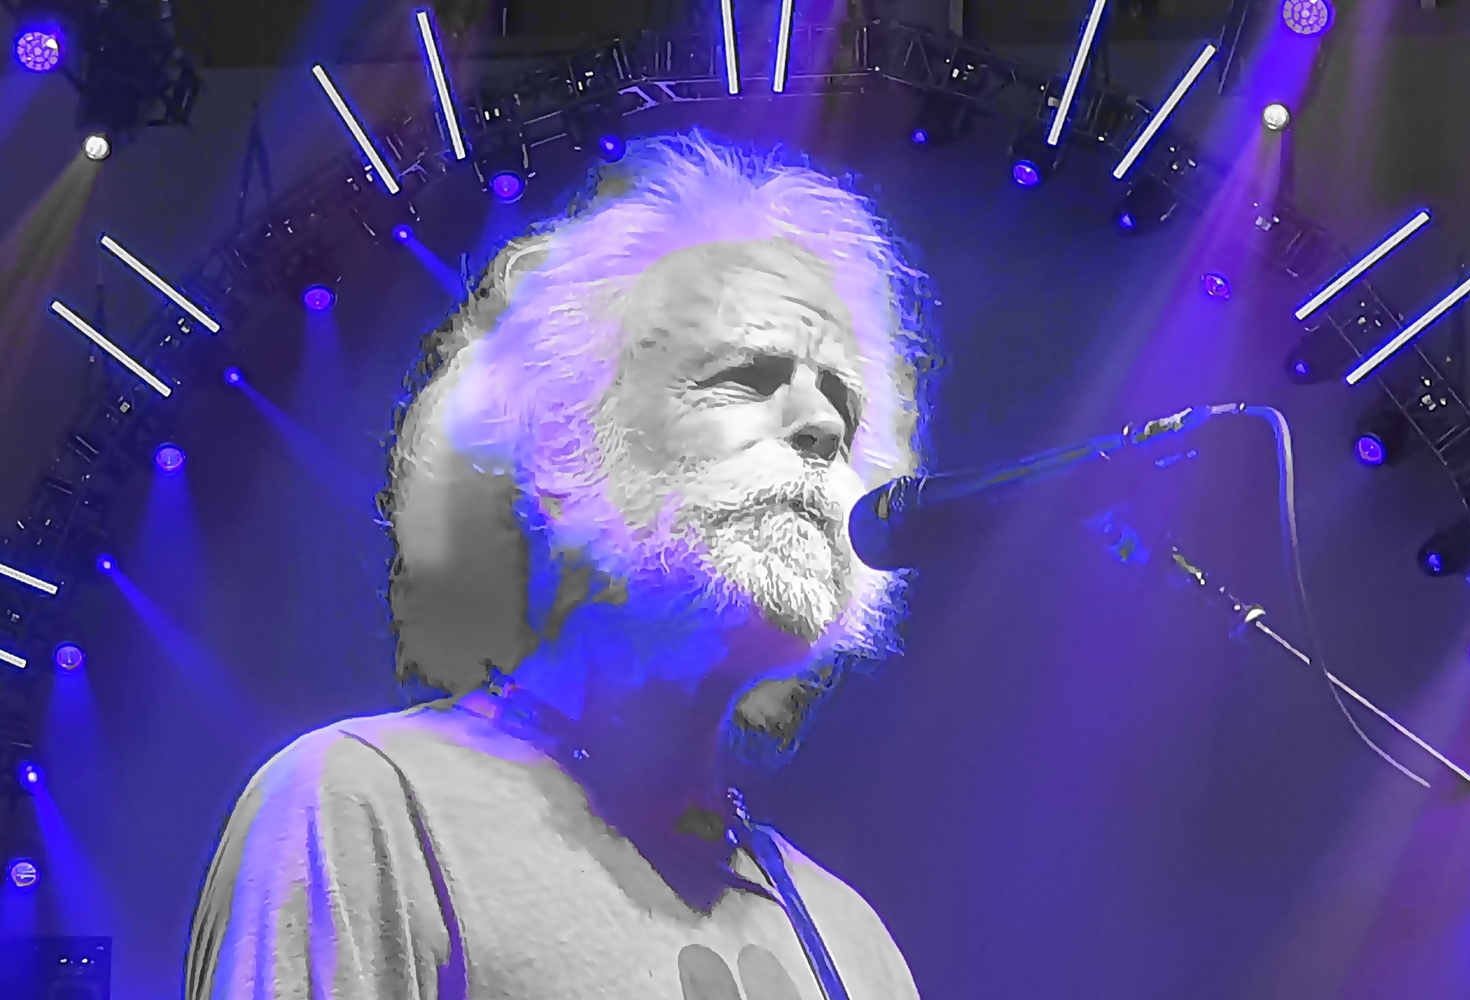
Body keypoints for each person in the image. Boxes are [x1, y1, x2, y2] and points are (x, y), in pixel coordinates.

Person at [186, 131, 937, 1000]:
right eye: (745, 375)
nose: (824, 425)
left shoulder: (849, 940)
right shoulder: (365, 804)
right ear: (557, 445)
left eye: (842, 398)